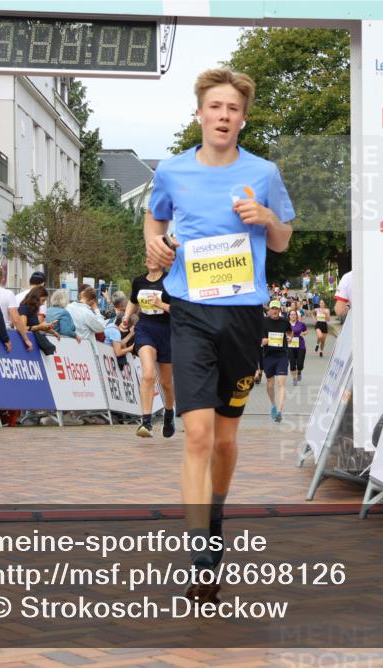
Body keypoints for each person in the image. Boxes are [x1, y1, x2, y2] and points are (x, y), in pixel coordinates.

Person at [144, 66, 294, 602]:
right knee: (199, 434)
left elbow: (281, 241)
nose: (223, 116)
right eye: (215, 107)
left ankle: (217, 510)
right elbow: (154, 222)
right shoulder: (172, 171)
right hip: (188, 313)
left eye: (233, 109)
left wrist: (266, 217)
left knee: (227, 439)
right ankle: (200, 549)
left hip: (244, 316)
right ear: (200, 113)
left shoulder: (265, 172)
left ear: (243, 118)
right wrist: (156, 250)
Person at [125, 256, 176, 439]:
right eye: (148, 258)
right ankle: (146, 421)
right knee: (148, 374)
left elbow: (180, 309)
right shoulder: (139, 281)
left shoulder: (171, 280)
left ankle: (169, 414)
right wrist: (126, 317)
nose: (151, 261)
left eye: (155, 258)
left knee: (166, 383)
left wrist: (160, 304)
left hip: (167, 331)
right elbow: (133, 301)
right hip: (145, 328)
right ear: (145, 262)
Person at [262, 299, 290, 422]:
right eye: (272, 308)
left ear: (280, 310)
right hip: (268, 356)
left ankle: (279, 411)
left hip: (282, 356)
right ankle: (273, 404)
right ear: (269, 310)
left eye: (277, 309)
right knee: (270, 385)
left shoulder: (284, 321)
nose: (274, 311)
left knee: (281, 383)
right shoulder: (263, 322)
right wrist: (262, 341)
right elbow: (258, 337)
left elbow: (290, 332)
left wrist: (289, 337)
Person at [286, 308, 307, 386]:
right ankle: (294, 379)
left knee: (300, 364)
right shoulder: (286, 324)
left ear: (296, 316)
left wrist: (303, 333)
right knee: (292, 364)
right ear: (289, 316)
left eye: (294, 314)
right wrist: (286, 338)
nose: (293, 316)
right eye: (291, 314)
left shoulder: (301, 324)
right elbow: (283, 333)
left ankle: (299, 371)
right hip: (290, 346)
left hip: (300, 346)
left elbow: (306, 331)